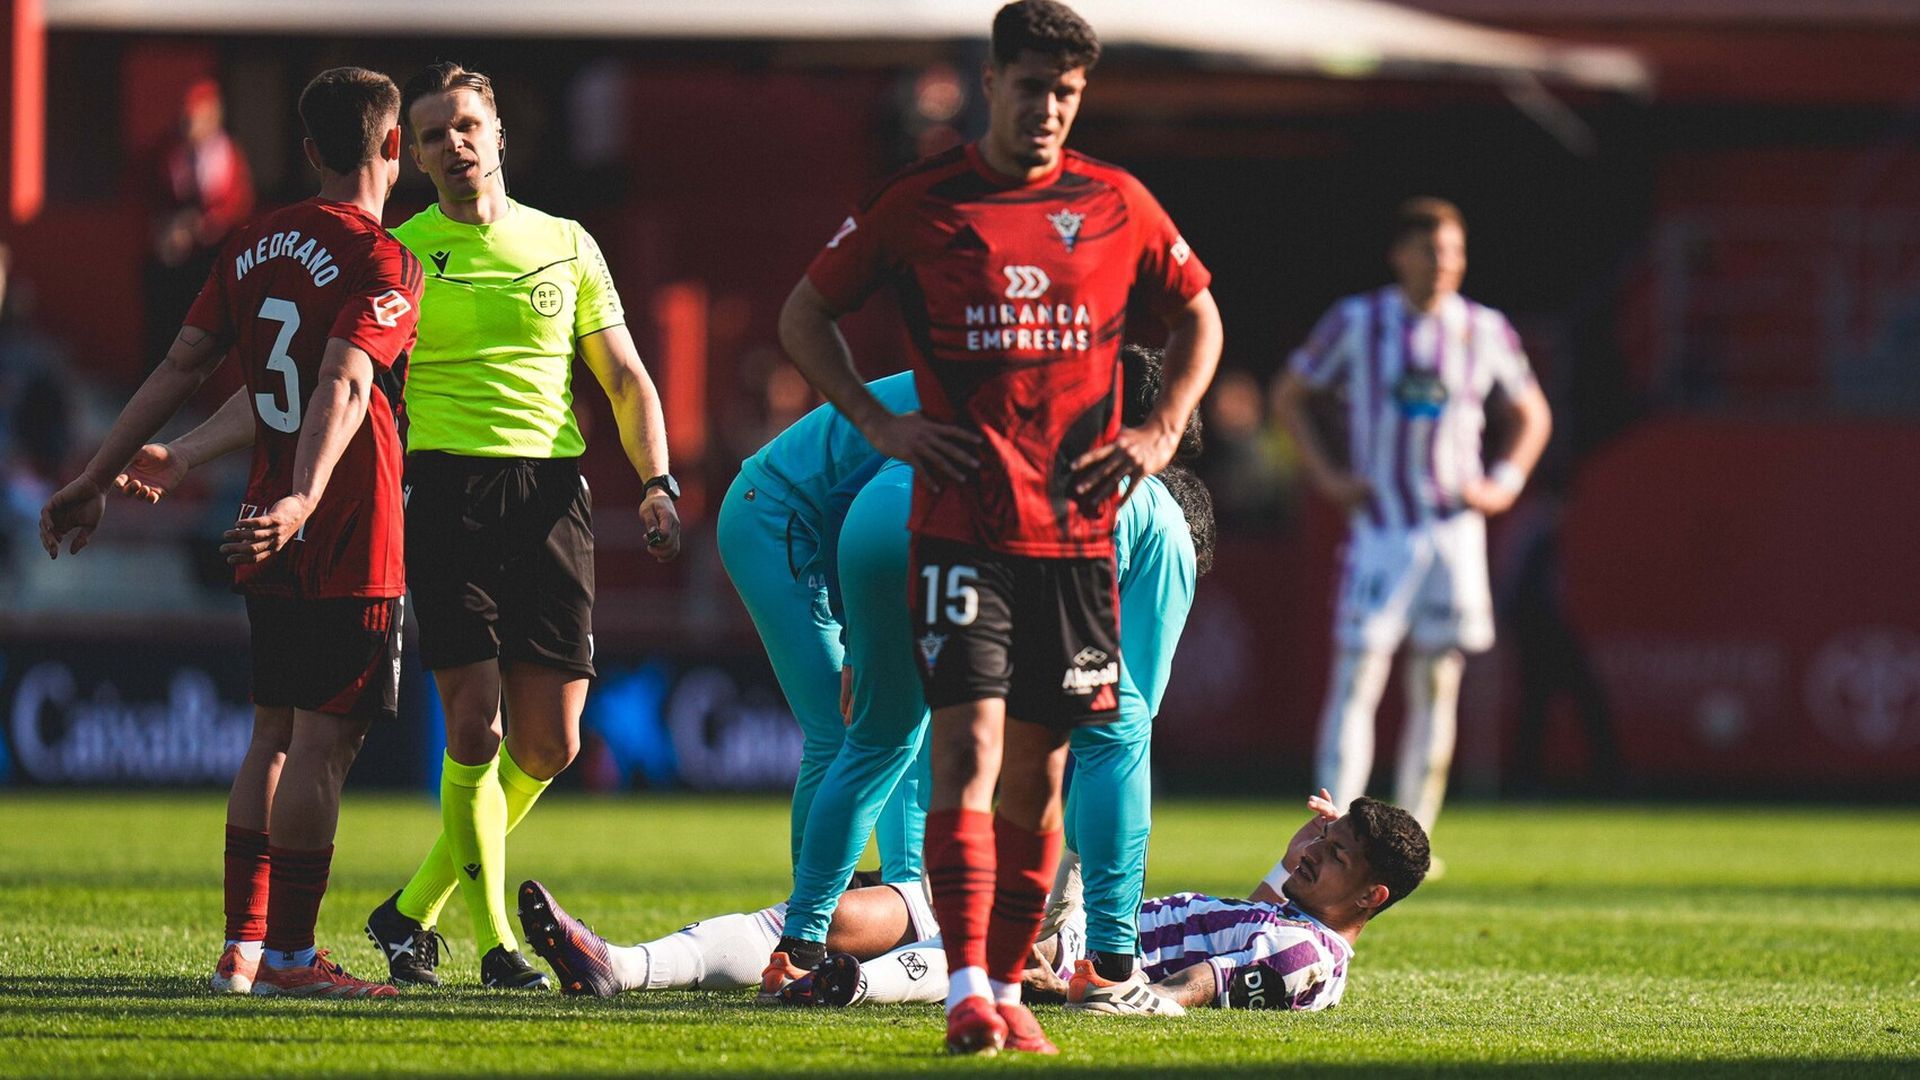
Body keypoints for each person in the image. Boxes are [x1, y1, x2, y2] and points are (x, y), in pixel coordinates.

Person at [777, 0, 1221, 1054]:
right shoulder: (921, 201)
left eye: (1067, 94)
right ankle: (969, 987)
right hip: (960, 529)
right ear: (993, 83)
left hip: (1074, 543)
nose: (1048, 110)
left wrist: (1162, 429)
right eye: (1032, 89)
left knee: (1041, 770)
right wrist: (879, 421)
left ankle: (1009, 981)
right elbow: (806, 315)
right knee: (966, 752)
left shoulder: (1117, 203)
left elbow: (1201, 314)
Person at [40, 67, 421, 998]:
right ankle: (292, 957)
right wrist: (304, 500)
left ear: (305, 150)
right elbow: (340, 383)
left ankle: (243, 951)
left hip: (264, 518)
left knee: (272, 737)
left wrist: (104, 474)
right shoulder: (384, 259)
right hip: (343, 526)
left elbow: (186, 369)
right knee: (323, 744)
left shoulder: (254, 241)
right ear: (394, 146)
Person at [358, 62, 683, 991]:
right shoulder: (401, 252)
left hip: (552, 497)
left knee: (552, 744)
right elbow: (357, 382)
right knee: (475, 724)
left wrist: (656, 481)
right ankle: (499, 945)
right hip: (447, 493)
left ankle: (410, 910)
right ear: (411, 156)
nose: (453, 145)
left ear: (501, 133)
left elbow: (623, 379)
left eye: (466, 126)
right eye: (432, 135)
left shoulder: (568, 243)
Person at [766, 346, 1209, 1010]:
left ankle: (795, 951)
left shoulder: (1015, 390)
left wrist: (859, 641)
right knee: (1115, 737)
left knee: (877, 743)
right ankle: (1112, 966)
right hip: (1008, 529)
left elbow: (842, 490)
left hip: (881, 512)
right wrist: (1076, 893)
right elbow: (1121, 730)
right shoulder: (1163, 522)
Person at [513, 793, 1428, 1016]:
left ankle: (855, 989)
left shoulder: (1309, 964)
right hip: (1061, 927)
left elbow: (1197, 987)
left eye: (1335, 855)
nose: (1313, 853)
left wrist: (1082, 985)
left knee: (1007, 901)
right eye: (1320, 838)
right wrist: (1311, 838)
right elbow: (1271, 903)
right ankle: (618, 966)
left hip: (1074, 949)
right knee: (832, 915)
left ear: (1371, 897)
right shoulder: (1296, 914)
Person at [1271, 197, 1553, 846]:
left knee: (1437, 679)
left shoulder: (1483, 328)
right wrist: (1328, 475)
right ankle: (1333, 828)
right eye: (1431, 250)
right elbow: (1289, 394)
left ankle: (1415, 836)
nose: (1444, 264)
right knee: (1358, 673)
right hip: (1381, 530)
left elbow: (1532, 413)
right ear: (1400, 254)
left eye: (1454, 251)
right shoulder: (1357, 321)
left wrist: (1504, 482)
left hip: (1453, 530)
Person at [717, 369, 926, 880]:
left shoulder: (989, 376)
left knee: (905, 717)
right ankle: (814, 911)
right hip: (774, 517)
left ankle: (907, 888)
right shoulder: (975, 393)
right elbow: (842, 504)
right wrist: (857, 645)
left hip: (798, 516)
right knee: (839, 726)